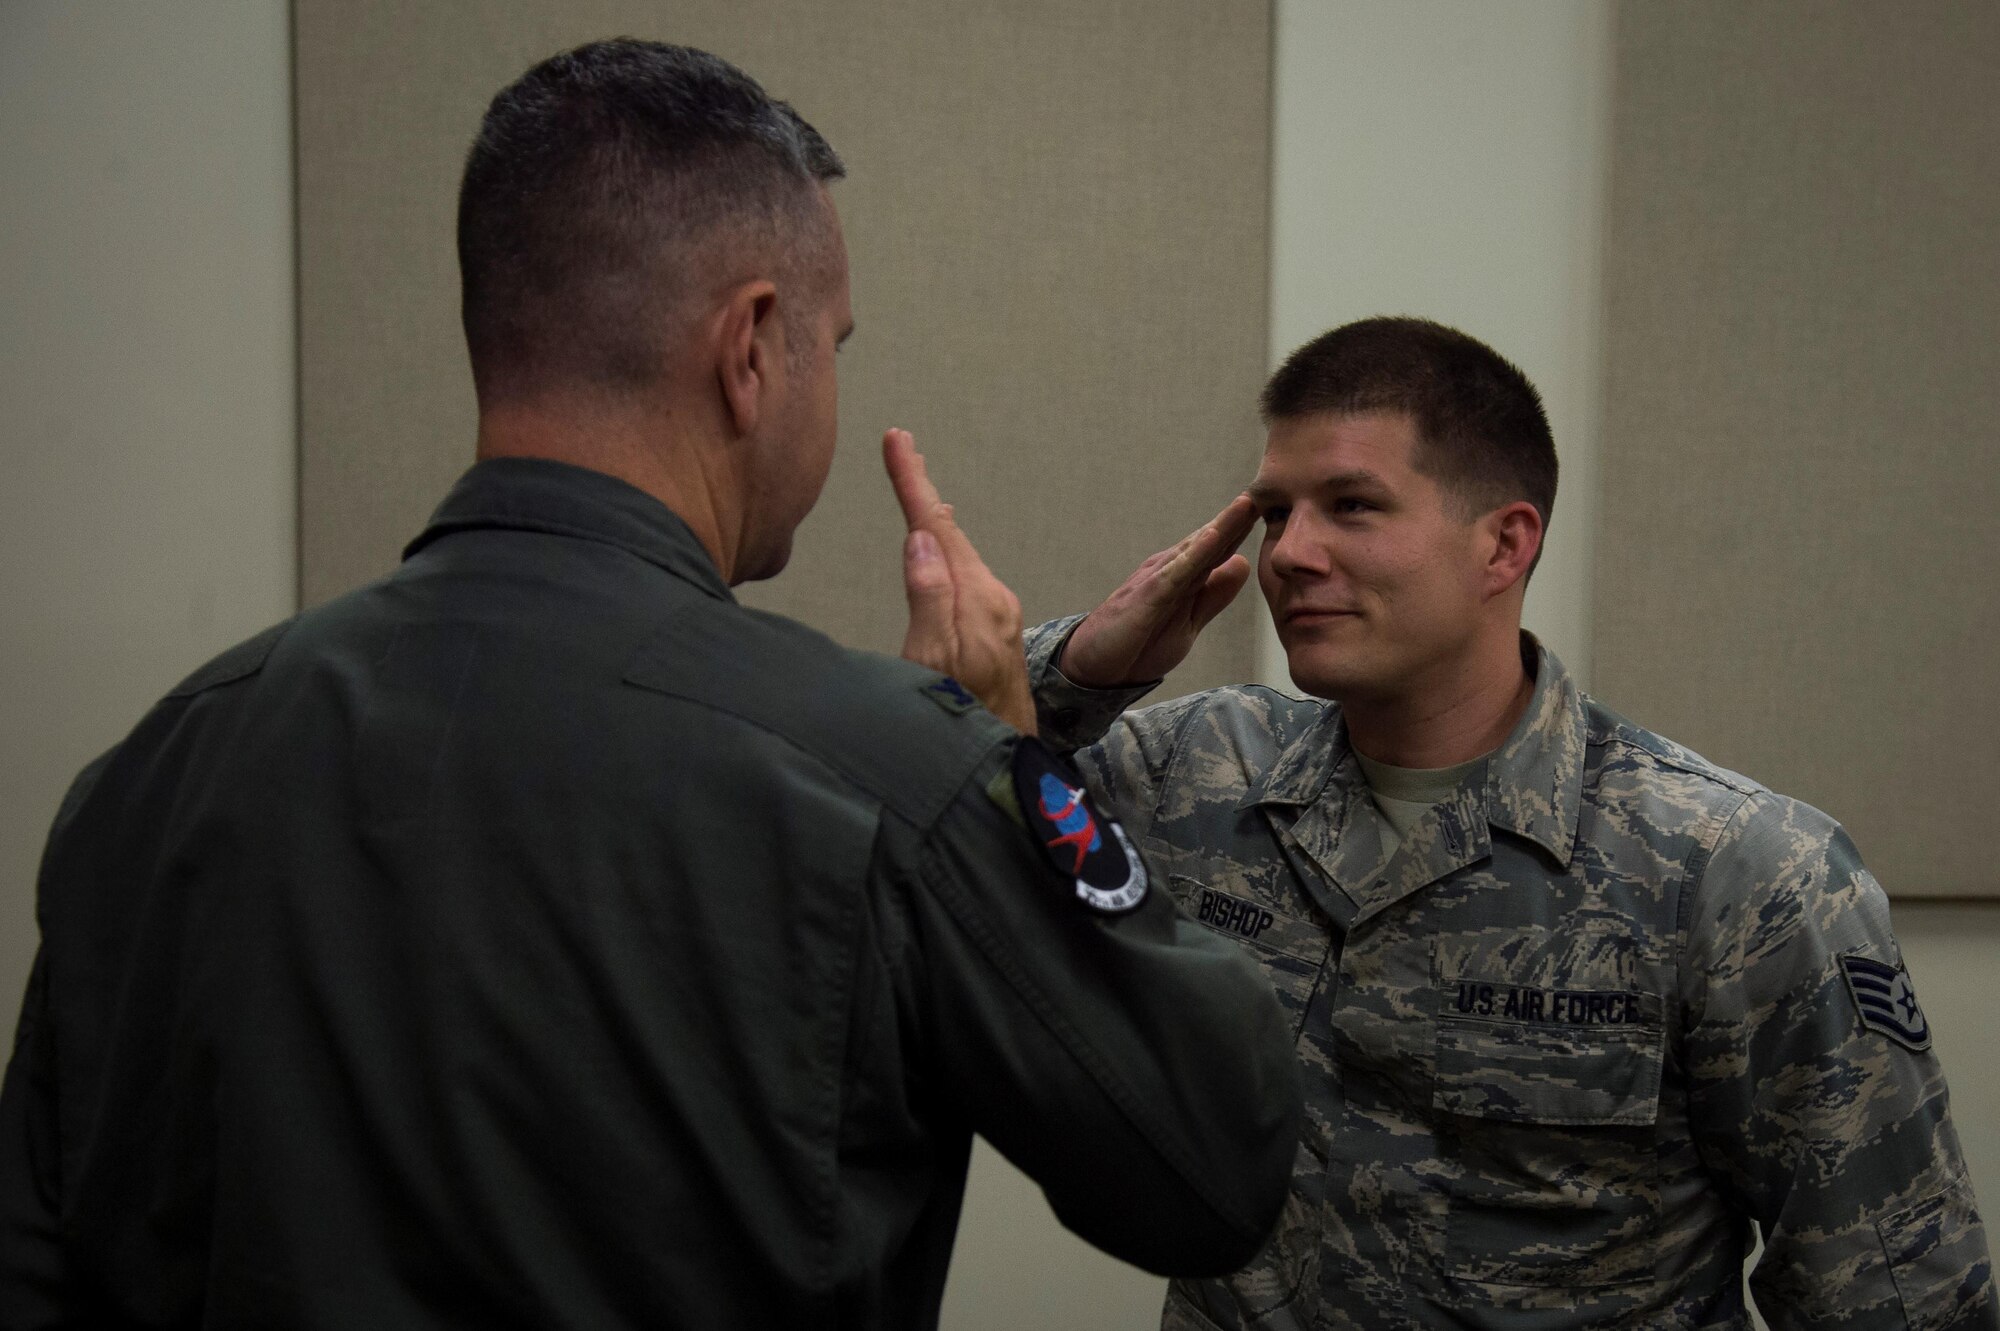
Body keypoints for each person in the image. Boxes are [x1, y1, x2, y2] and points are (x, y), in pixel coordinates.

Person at [0, 40, 1303, 1329]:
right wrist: (1002, 746)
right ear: (750, 348)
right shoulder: (881, 775)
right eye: (830, 344)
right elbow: (1205, 1162)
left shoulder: (156, 767)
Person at [1001, 316, 1994, 1327]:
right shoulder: (1192, 775)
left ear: (1502, 543)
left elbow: (1893, 1295)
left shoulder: (1739, 873)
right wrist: (1084, 666)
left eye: (1350, 505)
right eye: (1271, 513)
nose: (1289, 553)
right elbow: (899, 801)